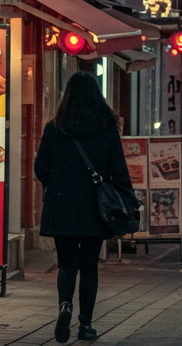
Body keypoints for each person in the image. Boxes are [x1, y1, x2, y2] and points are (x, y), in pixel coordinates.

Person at [33, 72, 132, 343]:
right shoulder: (107, 129)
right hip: (95, 207)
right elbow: (119, 170)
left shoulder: (55, 128)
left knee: (66, 264)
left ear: (67, 96)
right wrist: (126, 198)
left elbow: (40, 167)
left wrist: (56, 185)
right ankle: (85, 323)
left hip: (62, 204)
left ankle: (65, 305)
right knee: (89, 266)